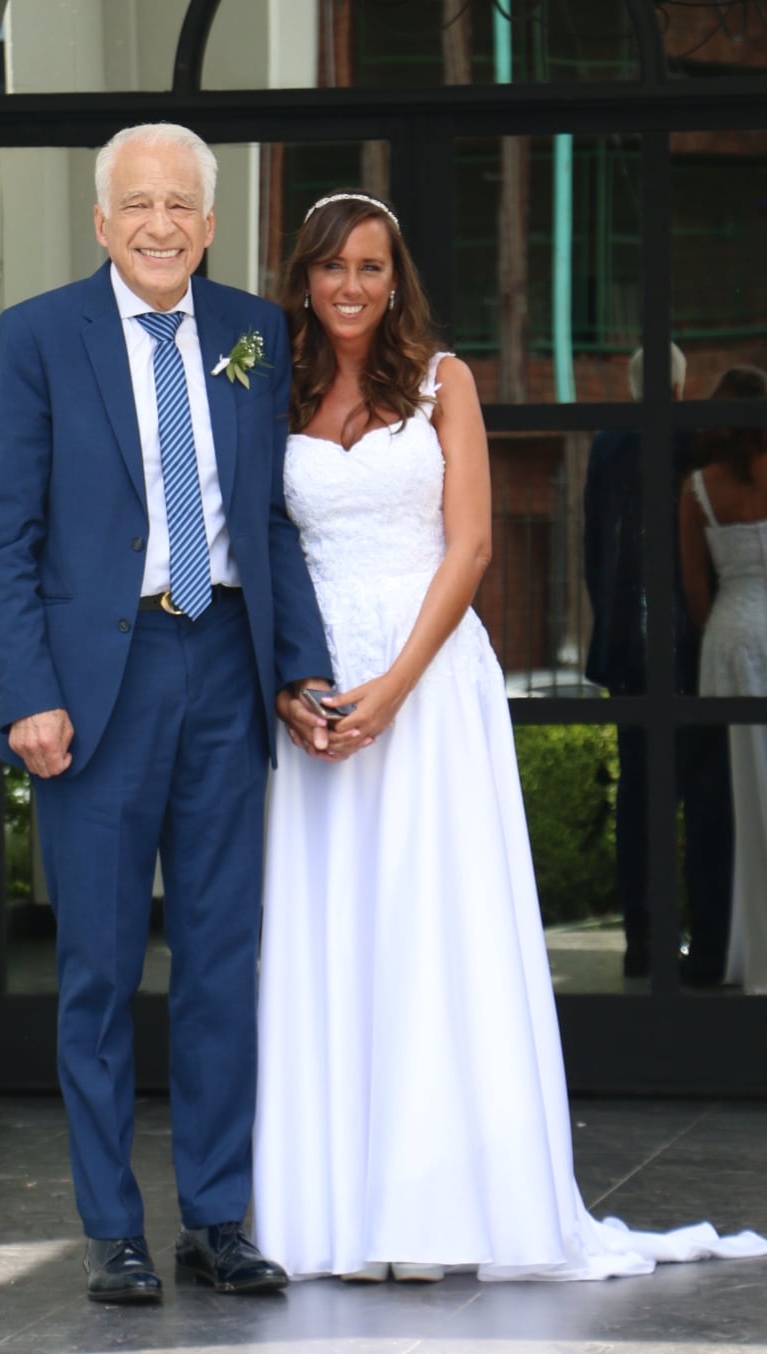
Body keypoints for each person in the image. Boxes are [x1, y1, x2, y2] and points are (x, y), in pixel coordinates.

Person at [251, 191, 767, 1282]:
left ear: (399, 282)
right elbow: (262, 546)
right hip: (318, 693)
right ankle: (333, 1212)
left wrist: (392, 687)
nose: (352, 286)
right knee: (336, 932)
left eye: (373, 268)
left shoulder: (448, 381)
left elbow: (475, 546)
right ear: (303, 276)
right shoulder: (274, 391)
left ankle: (439, 1211)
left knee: (432, 930)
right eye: (334, 267)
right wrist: (299, 685)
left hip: (427, 683)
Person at [0, 123, 334, 1303]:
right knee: (99, 968)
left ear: (212, 222)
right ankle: (113, 1228)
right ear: (100, 221)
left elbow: (273, 519)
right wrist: (27, 693)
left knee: (224, 959)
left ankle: (217, 1219)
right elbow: (2, 535)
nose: (161, 223)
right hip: (95, 688)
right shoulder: (35, 337)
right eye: (138, 204)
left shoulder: (254, 334)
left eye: (182, 203)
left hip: (224, 661)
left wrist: (298, 665)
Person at [583, 345, 733, 985]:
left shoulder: (607, 444)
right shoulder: (690, 443)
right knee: (703, 795)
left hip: (627, 647)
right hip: (689, 645)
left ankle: (642, 938)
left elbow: (595, 542)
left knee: (640, 797)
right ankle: (706, 937)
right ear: (679, 388)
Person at [679, 365, 767, 995]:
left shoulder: (697, 489)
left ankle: (721, 945)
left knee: (725, 799)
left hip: (729, 637)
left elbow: (693, 589)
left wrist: (721, 629)